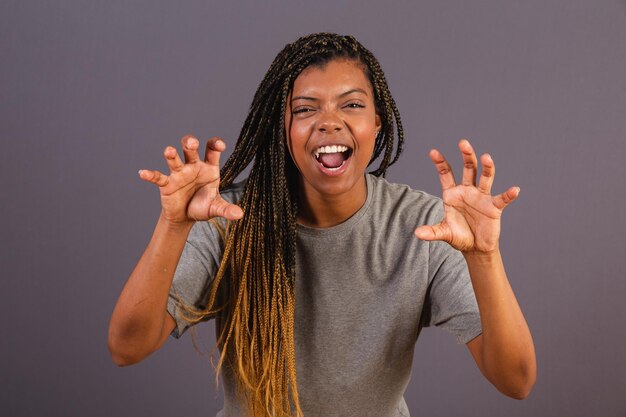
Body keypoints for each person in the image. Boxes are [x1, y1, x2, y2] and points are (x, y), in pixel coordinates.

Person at [108, 33, 536, 417]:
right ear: (283, 130)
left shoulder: (424, 226)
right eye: (305, 109)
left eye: (351, 104)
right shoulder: (230, 220)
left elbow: (515, 380)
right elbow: (127, 347)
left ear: (377, 123)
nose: (329, 121)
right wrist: (173, 224)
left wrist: (484, 256)